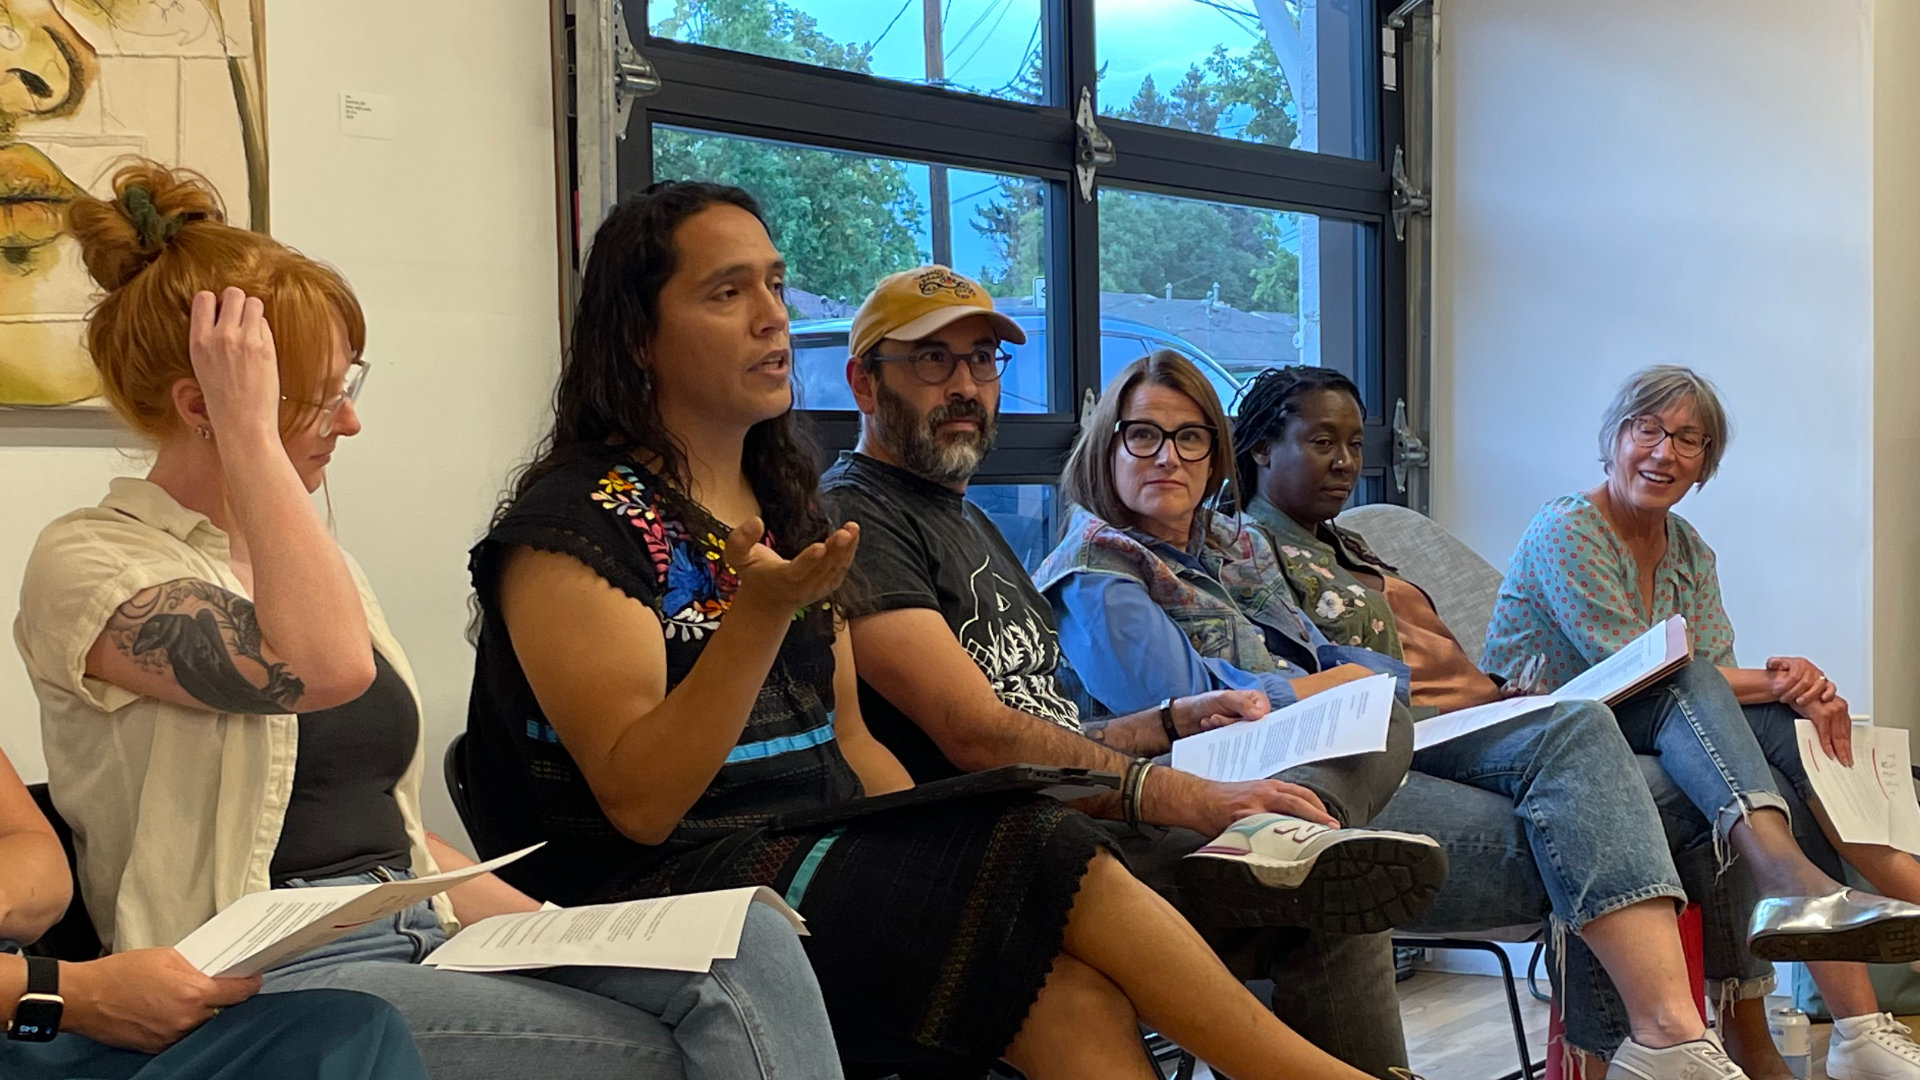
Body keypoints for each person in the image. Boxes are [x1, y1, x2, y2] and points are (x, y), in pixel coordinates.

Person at [460, 178, 1434, 1080]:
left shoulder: (785, 500)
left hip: (809, 841)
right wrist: (758, 618)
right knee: (1033, 843)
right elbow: (640, 806)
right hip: (667, 888)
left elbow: (848, 746)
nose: (771, 316)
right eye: (726, 293)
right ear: (637, 335)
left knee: (1060, 970)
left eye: (776, 283)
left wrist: (944, 832)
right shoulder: (574, 527)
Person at [12, 159, 846, 1080]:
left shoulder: (311, 565)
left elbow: (393, 830)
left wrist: (569, 933)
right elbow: (323, 668)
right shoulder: (90, 562)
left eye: (347, 385)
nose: (351, 424)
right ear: (203, 405)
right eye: (321, 396)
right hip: (267, 983)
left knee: (746, 945)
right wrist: (250, 433)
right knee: (663, 1057)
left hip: (416, 929)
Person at [1038, 351, 1754, 1077]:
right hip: (1222, 792)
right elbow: (1197, 712)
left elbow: (1353, 669)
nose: (1170, 457)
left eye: (1190, 437)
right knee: (1591, 813)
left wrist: (1341, 686)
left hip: (1348, 747)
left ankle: (1667, 1039)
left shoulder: (1230, 550)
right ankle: (1665, 1034)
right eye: (1144, 436)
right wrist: (1327, 689)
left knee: (1574, 727)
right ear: (1107, 445)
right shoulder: (1098, 574)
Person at [816, 266, 1446, 1076]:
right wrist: (1186, 791)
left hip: (1093, 800)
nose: (967, 386)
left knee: (1337, 872)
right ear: (864, 383)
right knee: (1327, 884)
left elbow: (1043, 721)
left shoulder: (970, 522)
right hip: (1017, 842)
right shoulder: (857, 514)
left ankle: (1285, 848)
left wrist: (1170, 724)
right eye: (933, 362)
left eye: (982, 361)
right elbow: (976, 737)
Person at [1230, 364, 1812, 1075]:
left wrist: (1502, 694)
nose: (1348, 462)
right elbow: (1293, 684)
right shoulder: (1249, 553)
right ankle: (1696, 1010)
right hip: (1409, 738)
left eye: (1355, 442)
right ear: (1259, 448)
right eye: (1324, 442)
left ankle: (1806, 995)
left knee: (1759, 729)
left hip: (1486, 721)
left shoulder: (1348, 547)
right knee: (1610, 732)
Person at [1484, 363, 1920, 1080]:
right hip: (1553, 734)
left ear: (1705, 466)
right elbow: (1636, 665)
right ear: (1613, 438)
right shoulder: (1568, 529)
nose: (1664, 452)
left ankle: (1857, 1021)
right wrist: (1792, 679)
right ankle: (1821, 904)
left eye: (1688, 439)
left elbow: (1715, 678)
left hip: (1656, 726)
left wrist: (1797, 689)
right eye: (1647, 429)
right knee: (1754, 698)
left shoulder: (1689, 549)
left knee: (1786, 732)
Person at [0, 743, 433, 1080]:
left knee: (348, 1029)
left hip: (32, 1013)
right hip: (42, 1002)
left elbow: (42, 866)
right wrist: (75, 995)